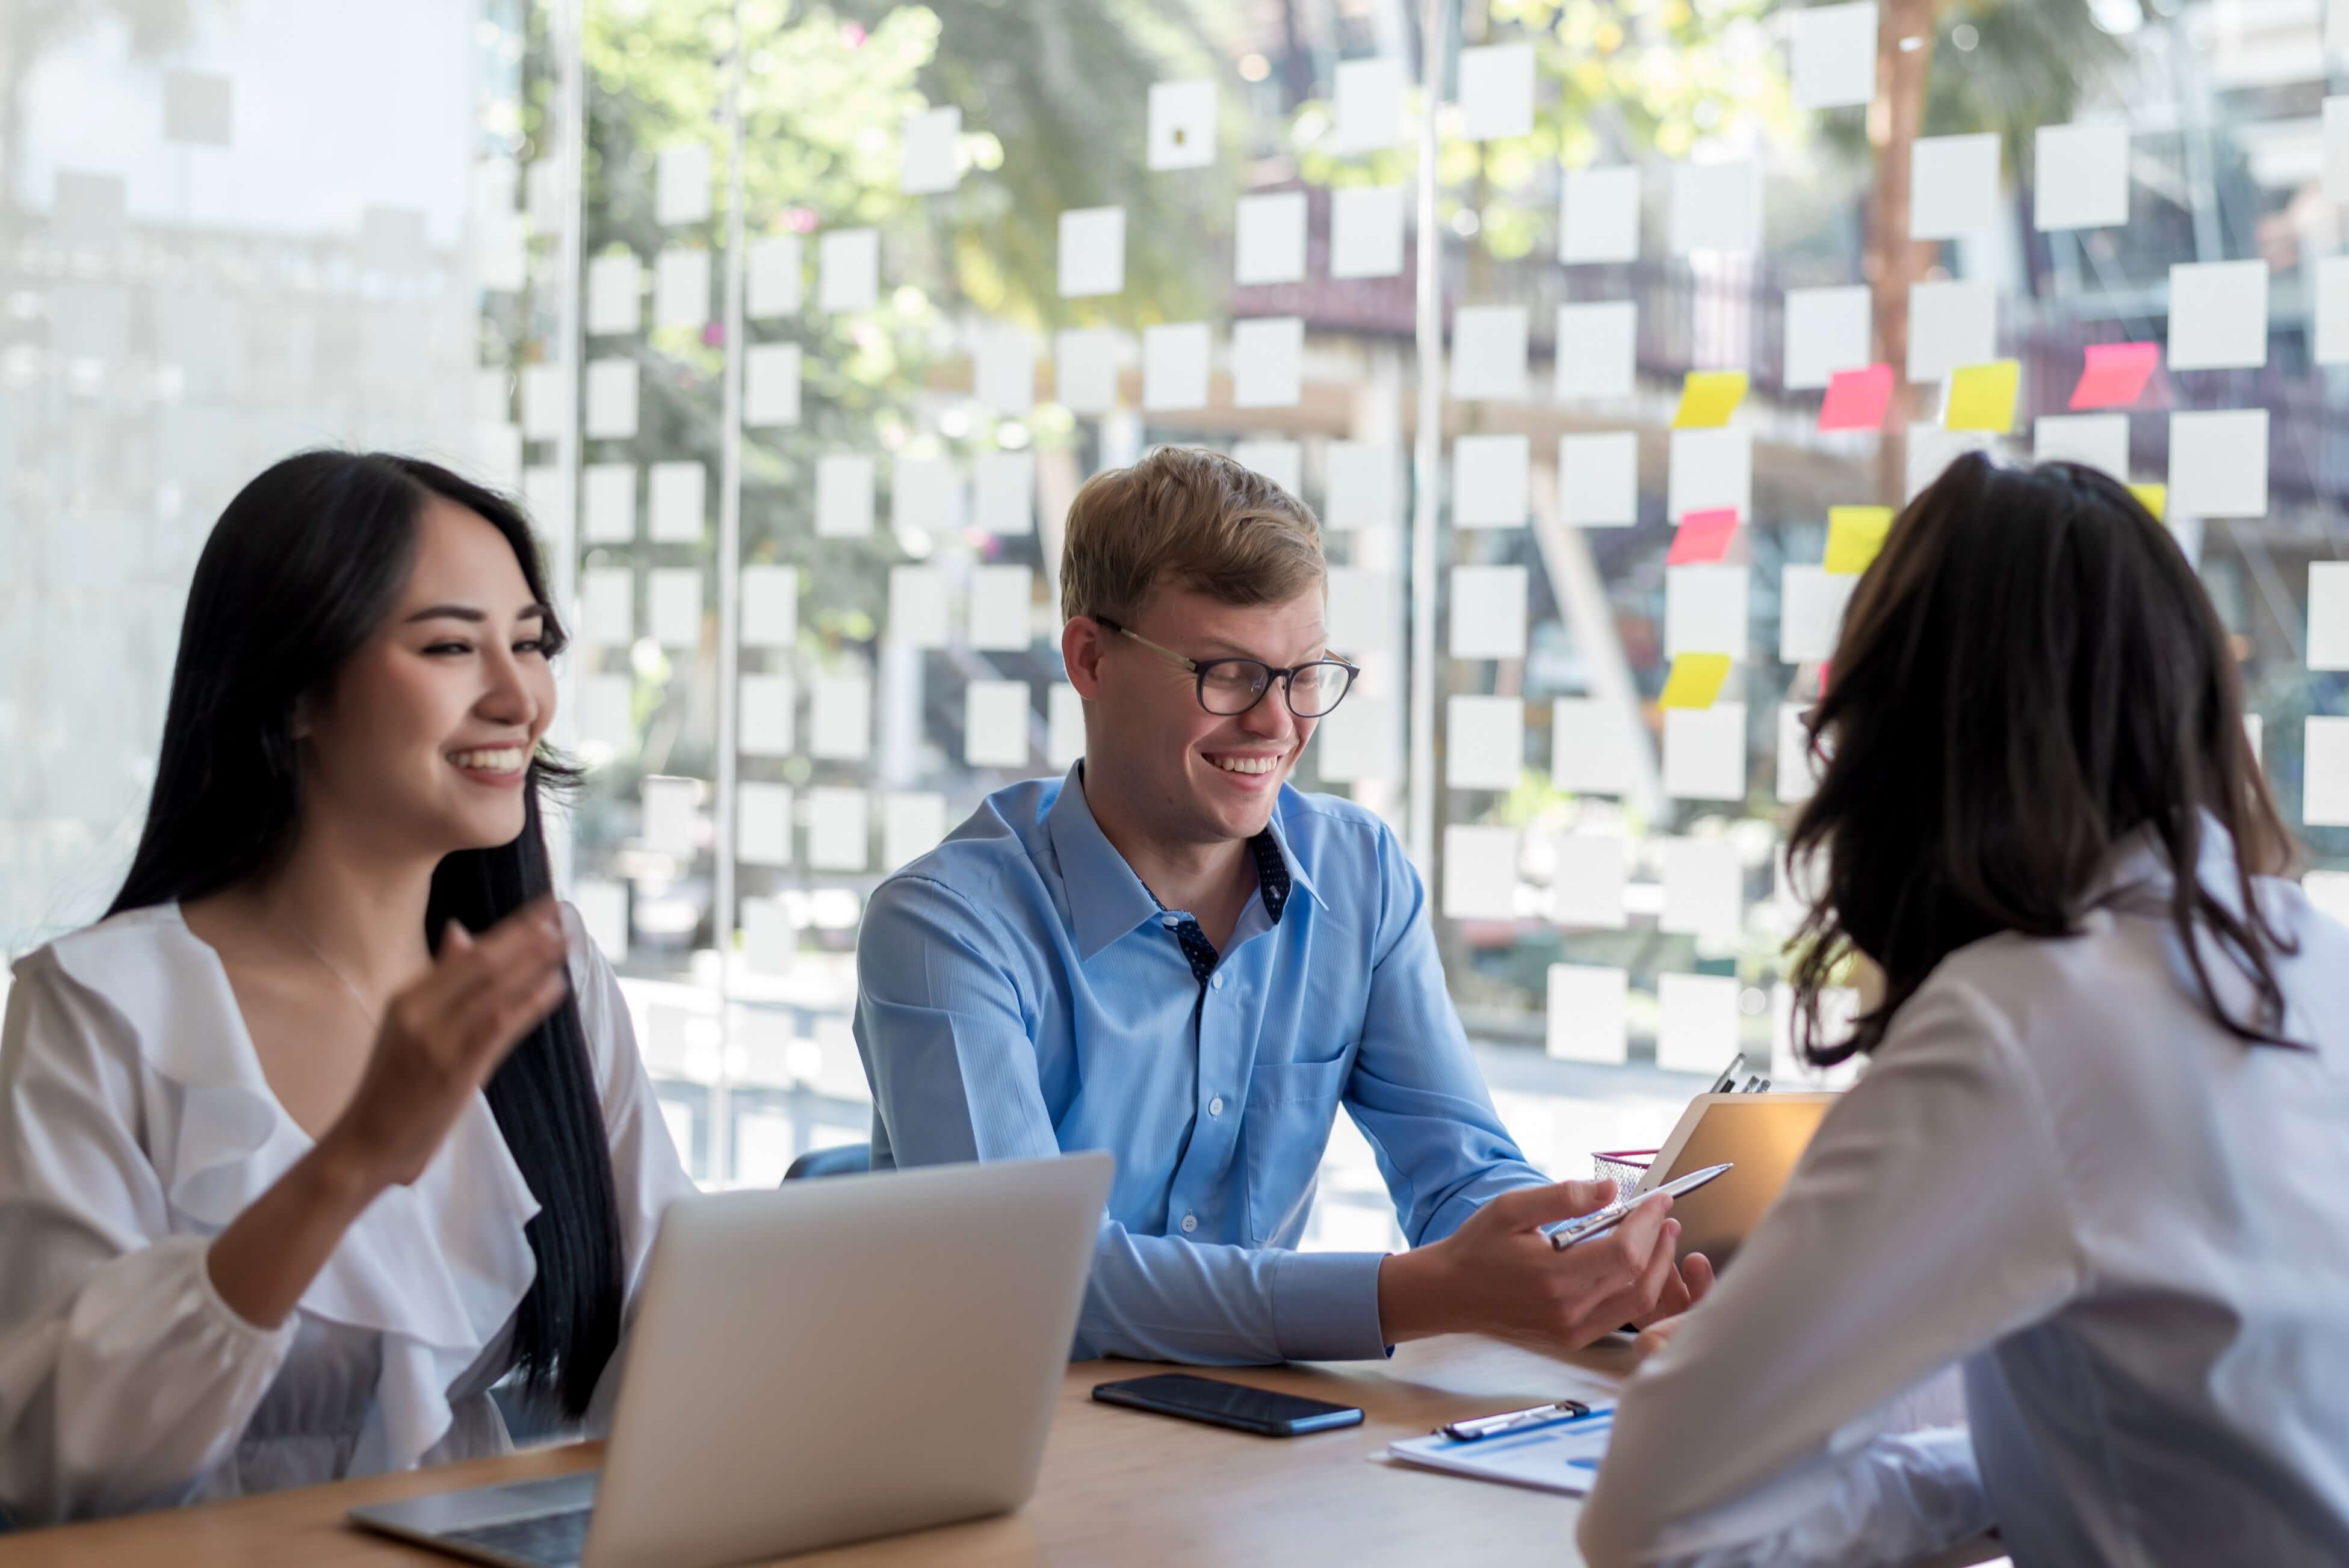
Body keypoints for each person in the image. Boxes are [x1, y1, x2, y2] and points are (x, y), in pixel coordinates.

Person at [1579, 455, 2349, 1566]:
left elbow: (1651, 1519)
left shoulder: (2026, 1024)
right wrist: (2018, 1468)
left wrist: (1960, 1485)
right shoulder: (2305, 955)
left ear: (1906, 732)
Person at [855, 445, 1705, 1365]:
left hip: (1243, 1444)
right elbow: (1032, 1278)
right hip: (1001, 1446)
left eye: (1304, 675)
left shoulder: (1359, 872)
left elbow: (1460, 1174)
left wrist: (1579, 1264)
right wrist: (1411, 1293)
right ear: (1090, 658)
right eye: (1227, 674)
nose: (1278, 724)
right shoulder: (945, 928)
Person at [0, 452, 696, 1526]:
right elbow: (51, 1466)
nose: (519, 697)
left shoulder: (543, 977)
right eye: (452, 647)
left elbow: (673, 1314)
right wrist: (355, 1159)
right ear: (296, 694)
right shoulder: (97, 1009)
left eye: (529, 643)